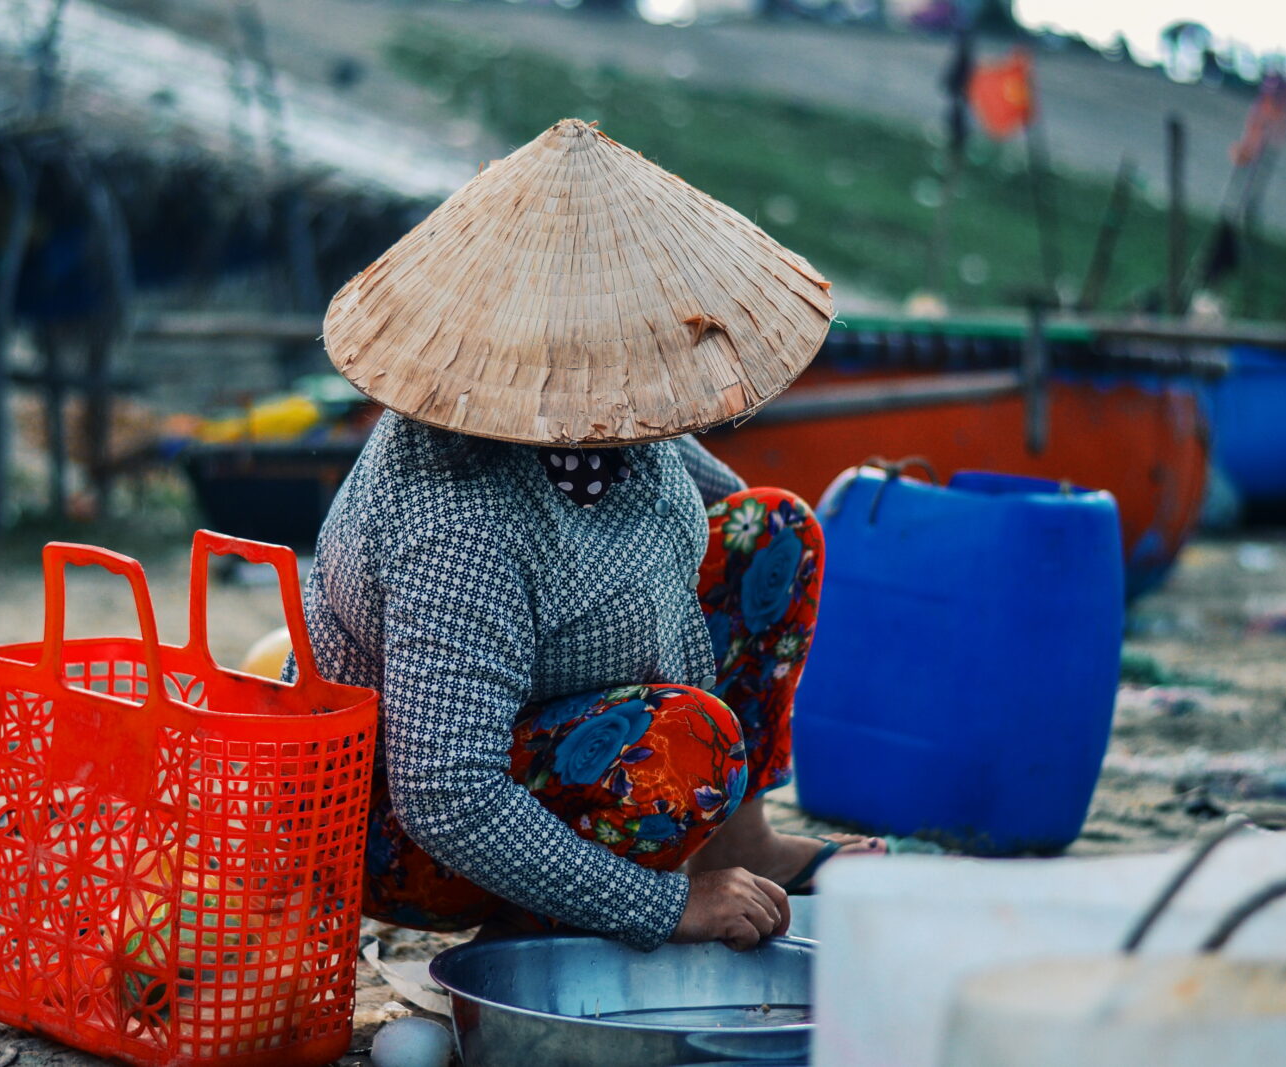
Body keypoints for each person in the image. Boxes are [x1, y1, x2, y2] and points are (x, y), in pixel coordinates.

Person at [300, 118, 884, 954]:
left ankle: (738, 843)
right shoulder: (457, 519)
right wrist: (664, 908)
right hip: (405, 832)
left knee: (776, 532)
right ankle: (540, 926)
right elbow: (448, 795)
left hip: (549, 727)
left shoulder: (609, 420)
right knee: (690, 746)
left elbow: (708, 501)